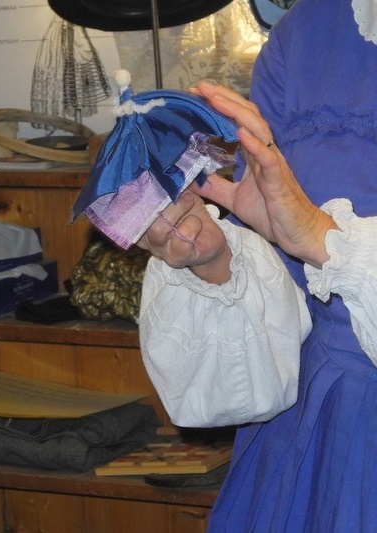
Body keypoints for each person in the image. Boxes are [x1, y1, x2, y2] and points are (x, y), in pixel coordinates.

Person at [134, 0, 377, 530]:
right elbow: (275, 272)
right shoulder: (305, 33)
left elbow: (308, 235)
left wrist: (319, 237)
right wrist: (220, 257)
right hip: (309, 429)